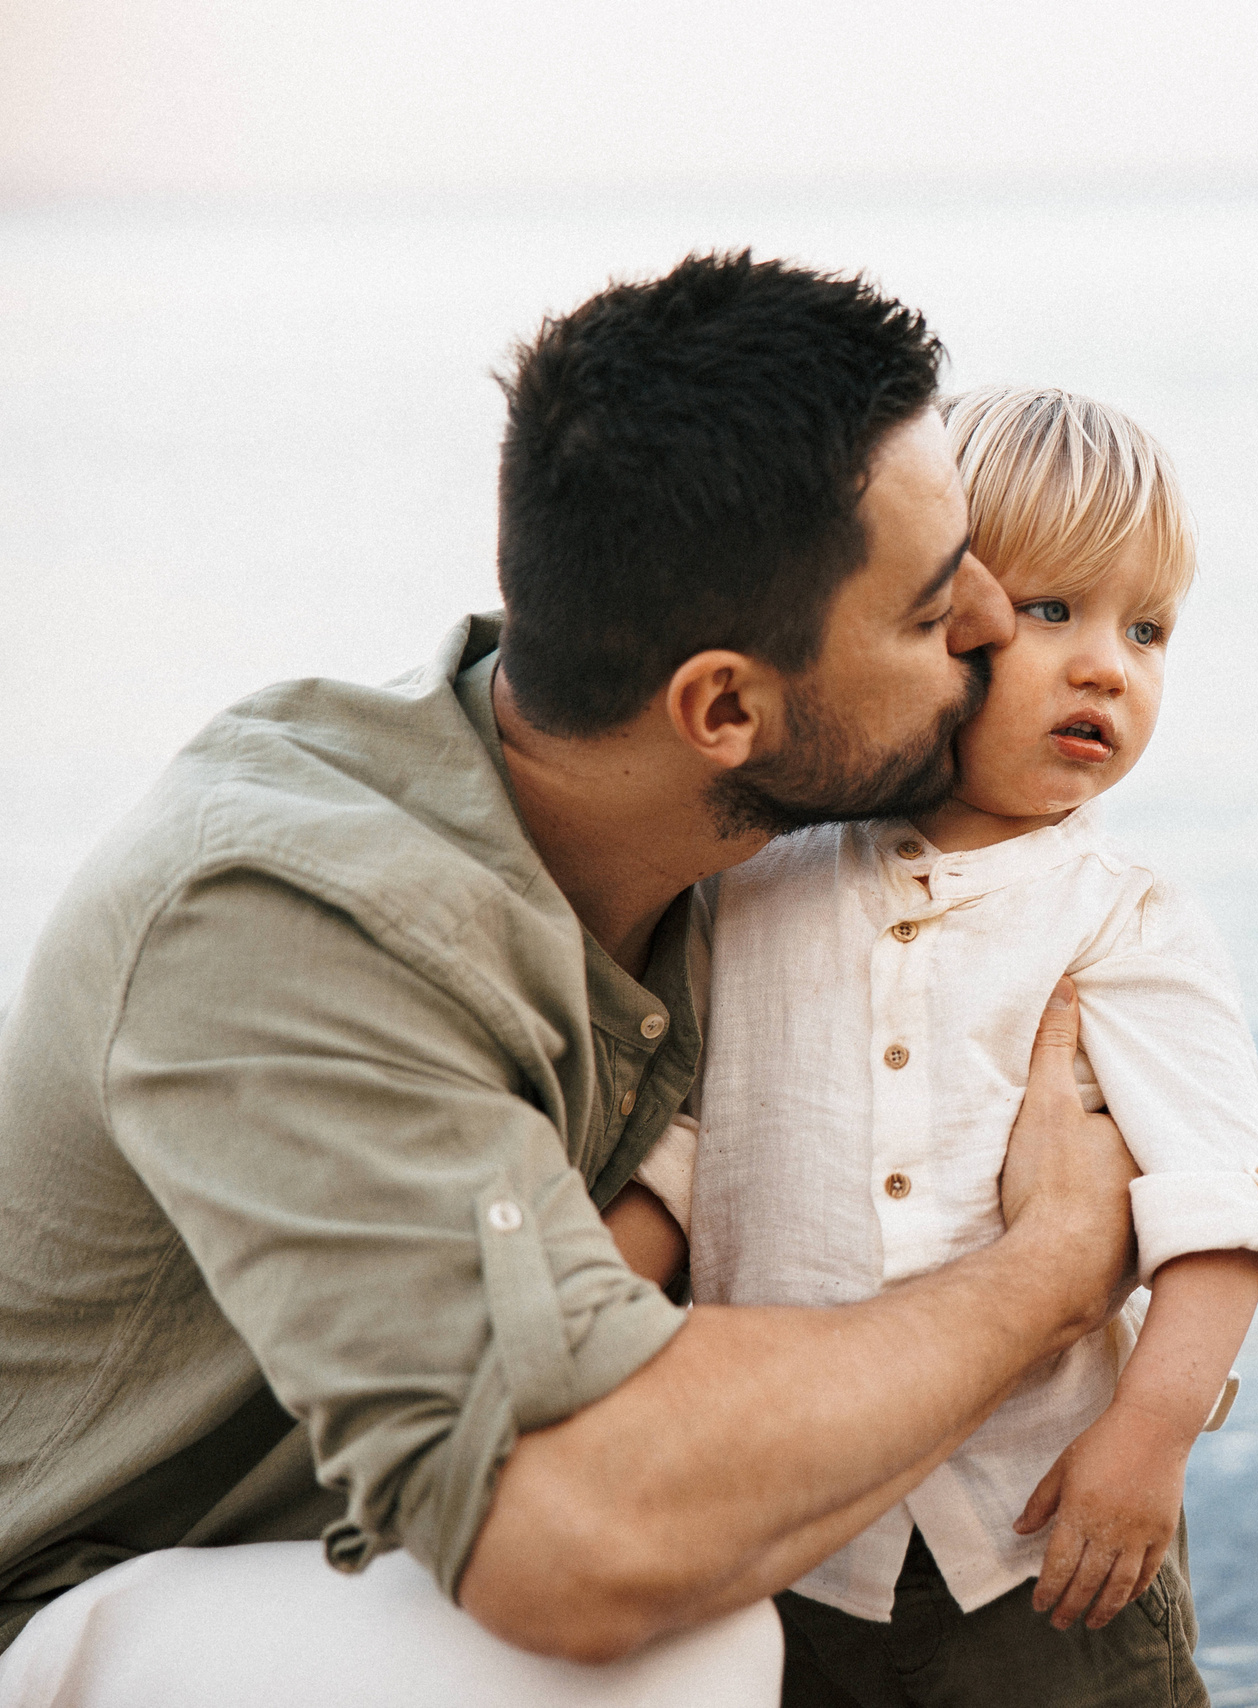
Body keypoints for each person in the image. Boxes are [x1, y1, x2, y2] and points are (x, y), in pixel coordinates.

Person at [0, 252, 1140, 1704]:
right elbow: (573, 1541)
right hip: (85, 1606)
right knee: (681, 1637)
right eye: (927, 614)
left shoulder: (730, 847)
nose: (994, 620)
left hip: (375, 1558)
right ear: (722, 707)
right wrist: (1050, 1273)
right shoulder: (282, 918)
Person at [628, 385, 1258, 1706]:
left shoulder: (1125, 919)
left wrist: (1148, 1437)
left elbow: (1218, 1215)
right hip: (787, 1521)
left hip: (1038, 1538)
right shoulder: (759, 882)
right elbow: (688, 1148)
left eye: (1149, 629)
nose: (1108, 666)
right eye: (1052, 611)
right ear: (937, 621)